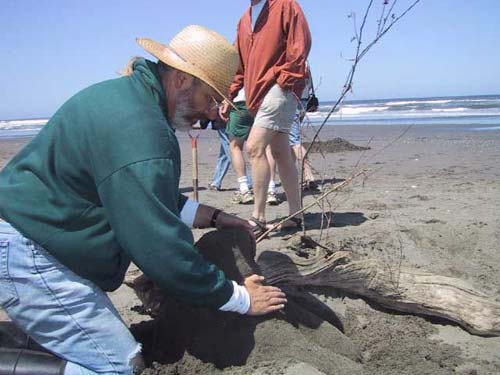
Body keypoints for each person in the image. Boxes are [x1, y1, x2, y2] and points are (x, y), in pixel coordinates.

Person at [0, 25, 287, 375]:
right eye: (211, 98)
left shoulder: (131, 100)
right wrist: (239, 298)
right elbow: (159, 246)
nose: (214, 113)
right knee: (119, 366)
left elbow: (140, 195)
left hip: (35, 237)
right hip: (28, 253)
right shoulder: (140, 131)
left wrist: (214, 217)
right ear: (183, 80)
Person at [221, 0, 312, 235]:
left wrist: (284, 80)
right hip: (255, 94)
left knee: (253, 147)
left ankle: (258, 218)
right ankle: (295, 214)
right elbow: (239, 66)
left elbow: (299, 45)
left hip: (280, 88)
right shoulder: (244, 20)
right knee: (281, 150)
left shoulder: (284, 5)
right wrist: (228, 95)